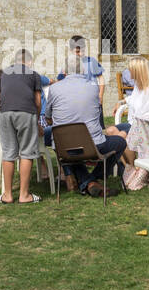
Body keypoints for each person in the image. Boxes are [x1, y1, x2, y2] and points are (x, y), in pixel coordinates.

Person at [48, 59, 126, 197]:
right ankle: (93, 180)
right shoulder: (93, 87)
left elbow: (48, 116)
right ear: (84, 71)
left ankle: (86, 181)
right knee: (120, 142)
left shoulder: (54, 88)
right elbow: (96, 111)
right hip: (91, 144)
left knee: (68, 151)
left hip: (63, 145)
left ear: (64, 72)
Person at [0, 49, 43, 204]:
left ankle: (7, 195)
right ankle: (24, 195)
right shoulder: (33, 74)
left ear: (16, 61)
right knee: (27, 153)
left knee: (8, 153)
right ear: (29, 62)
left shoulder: (4, 74)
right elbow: (38, 101)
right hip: (26, 112)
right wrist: (36, 120)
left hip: (5, 113)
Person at [68, 35, 105, 103]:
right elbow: (60, 80)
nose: (81, 54)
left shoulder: (92, 61)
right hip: (76, 99)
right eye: (77, 52)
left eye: (83, 50)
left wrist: (100, 94)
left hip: (93, 98)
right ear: (71, 50)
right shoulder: (68, 63)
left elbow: (101, 78)